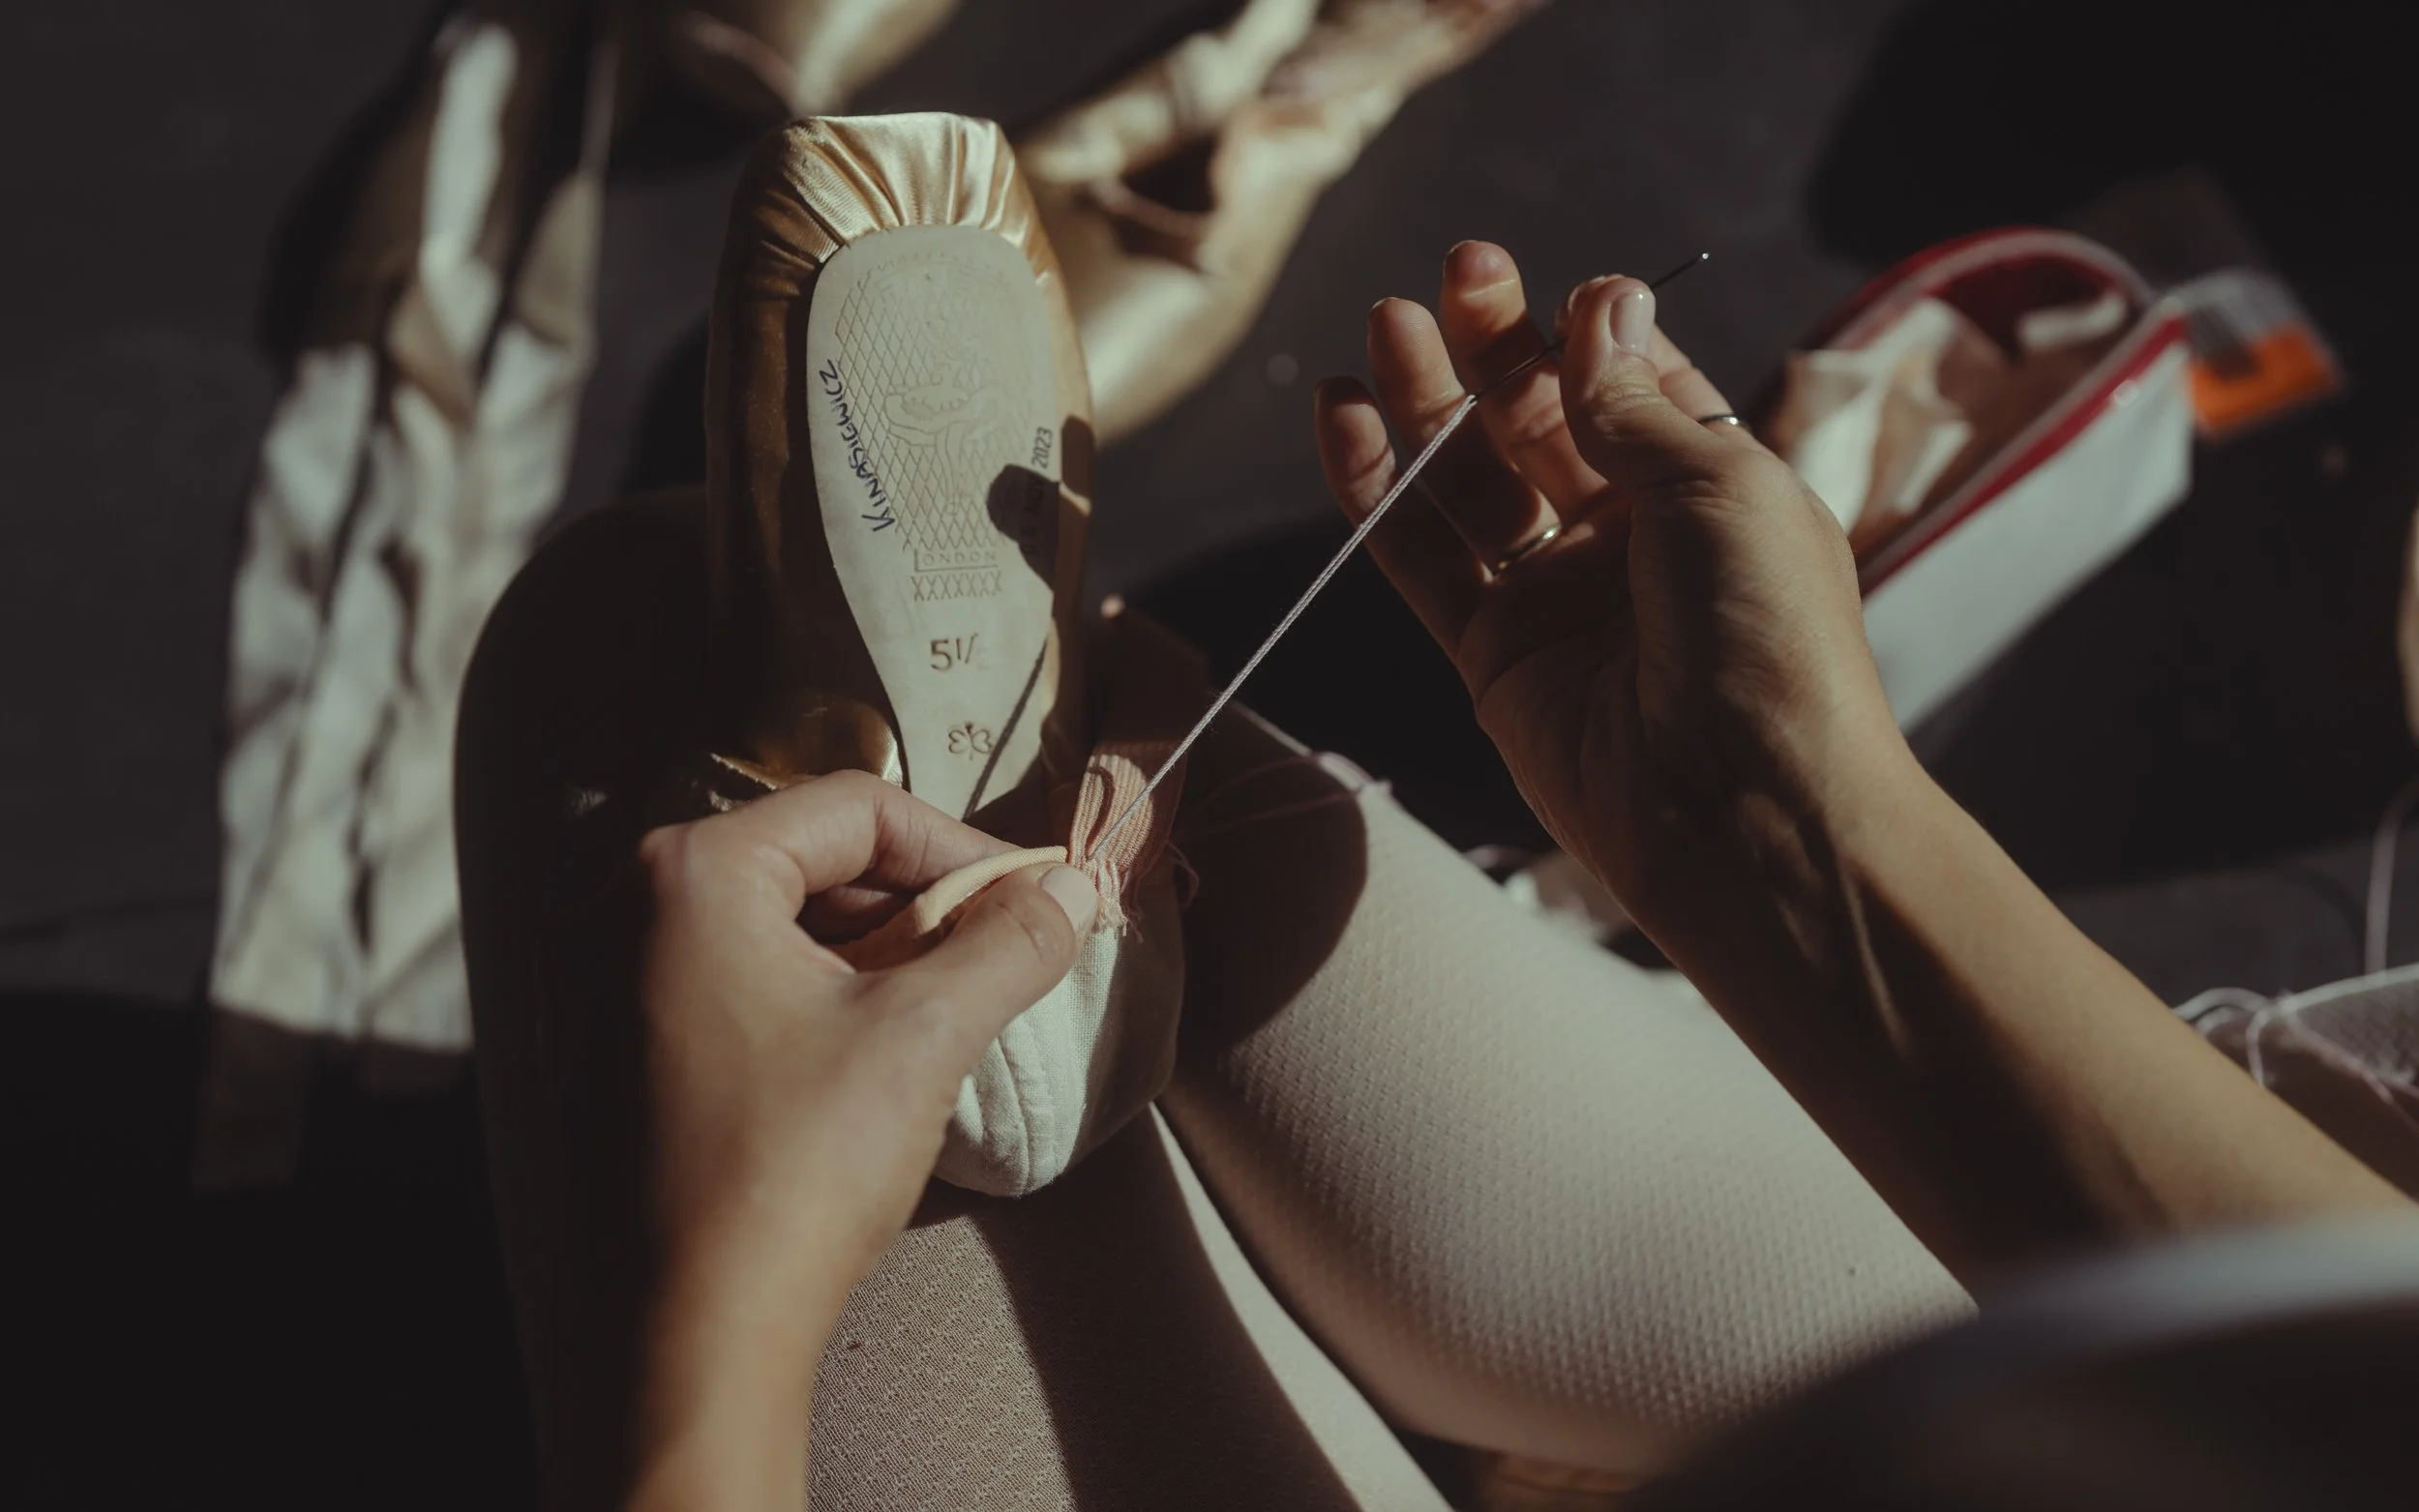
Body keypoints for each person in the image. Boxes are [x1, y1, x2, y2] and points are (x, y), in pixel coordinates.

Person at [457, 247, 2411, 1512]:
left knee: (648, 652)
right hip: (2288, 1325)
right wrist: (1785, 836)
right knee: (1077, 735)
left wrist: (727, 1287)